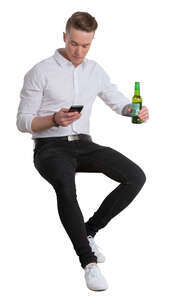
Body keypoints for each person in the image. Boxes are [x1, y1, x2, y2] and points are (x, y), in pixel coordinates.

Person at [16, 11, 149, 292]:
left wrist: (133, 111)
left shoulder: (95, 70)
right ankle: (89, 264)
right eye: (74, 43)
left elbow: (117, 100)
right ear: (65, 37)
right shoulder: (40, 71)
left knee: (135, 176)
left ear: (92, 42)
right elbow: (23, 121)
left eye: (85, 45)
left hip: (83, 144)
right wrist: (54, 119)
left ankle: (88, 231)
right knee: (66, 186)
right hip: (49, 147)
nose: (79, 51)